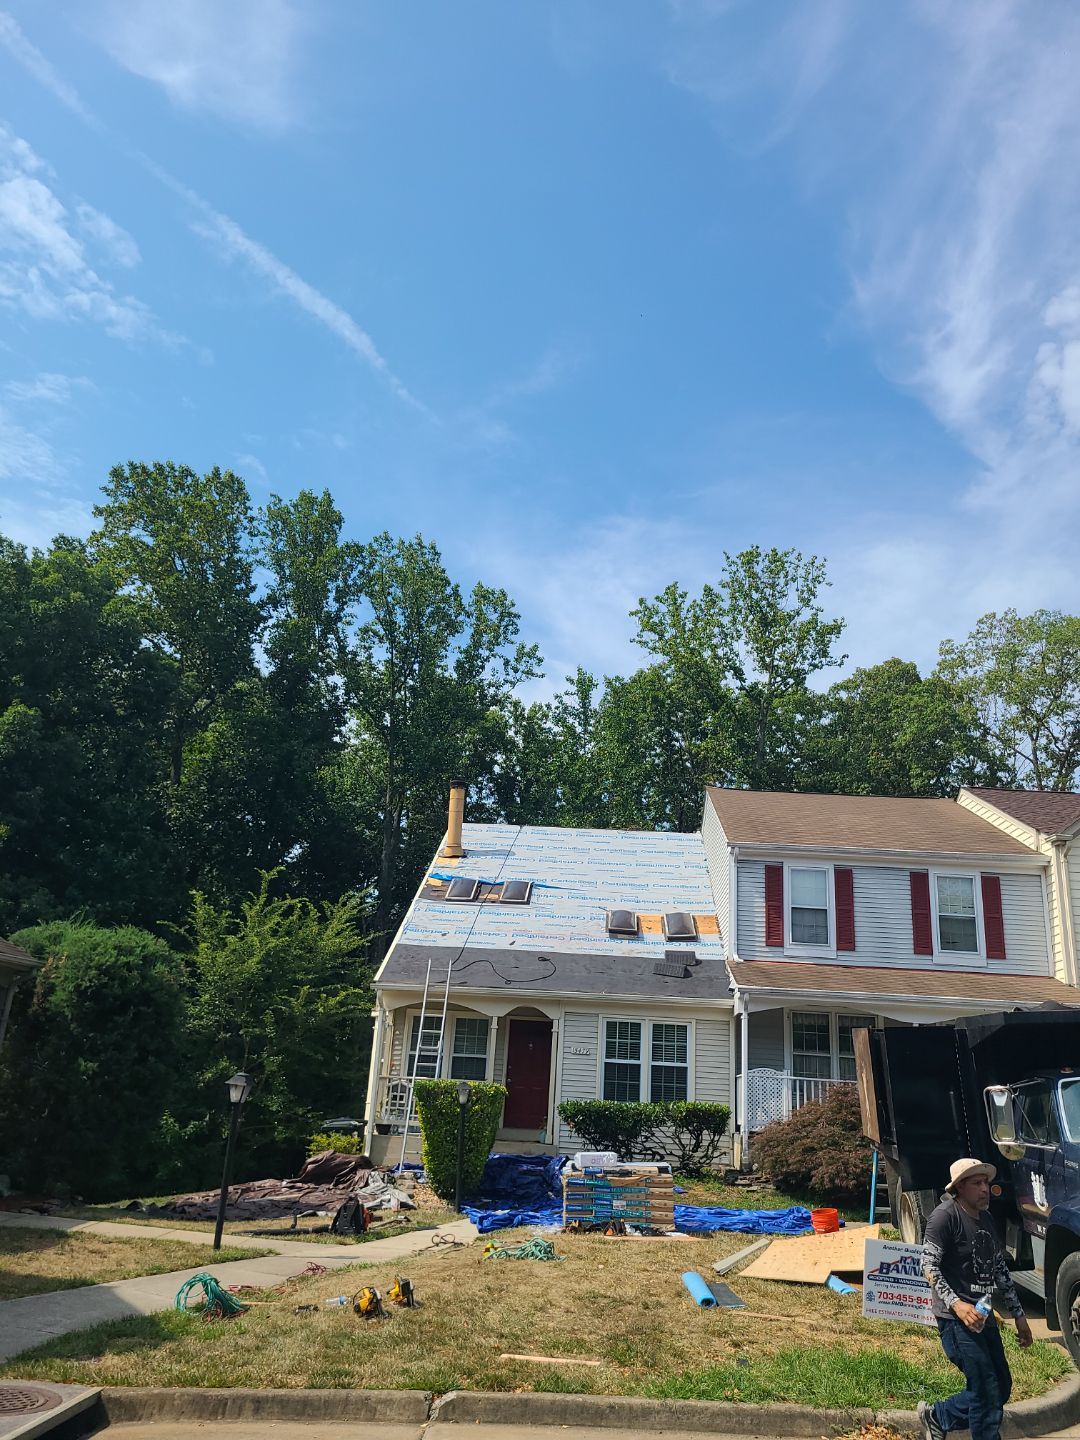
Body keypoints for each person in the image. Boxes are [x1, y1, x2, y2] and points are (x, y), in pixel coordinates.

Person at [918, 1157, 1033, 1440]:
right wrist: (957, 1304)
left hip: (983, 1316)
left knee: (1001, 1387)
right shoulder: (945, 1216)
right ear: (960, 1187)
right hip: (956, 1320)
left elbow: (999, 1269)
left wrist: (1019, 1316)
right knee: (985, 1389)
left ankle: (938, 1415)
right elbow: (927, 1265)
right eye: (977, 1183)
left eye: (987, 1183)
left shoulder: (987, 1219)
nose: (985, 1189)